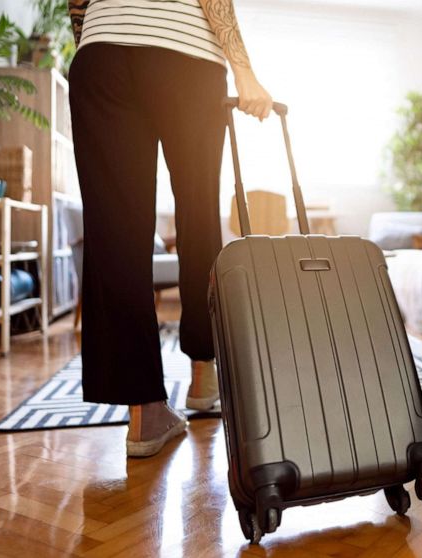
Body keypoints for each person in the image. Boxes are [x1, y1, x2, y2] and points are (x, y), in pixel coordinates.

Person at [66, 0, 272, 457]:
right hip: (185, 54)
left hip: (101, 54)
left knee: (114, 231)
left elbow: (76, 4)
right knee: (199, 216)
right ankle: (203, 374)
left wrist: (103, 45)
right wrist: (244, 70)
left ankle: (145, 412)